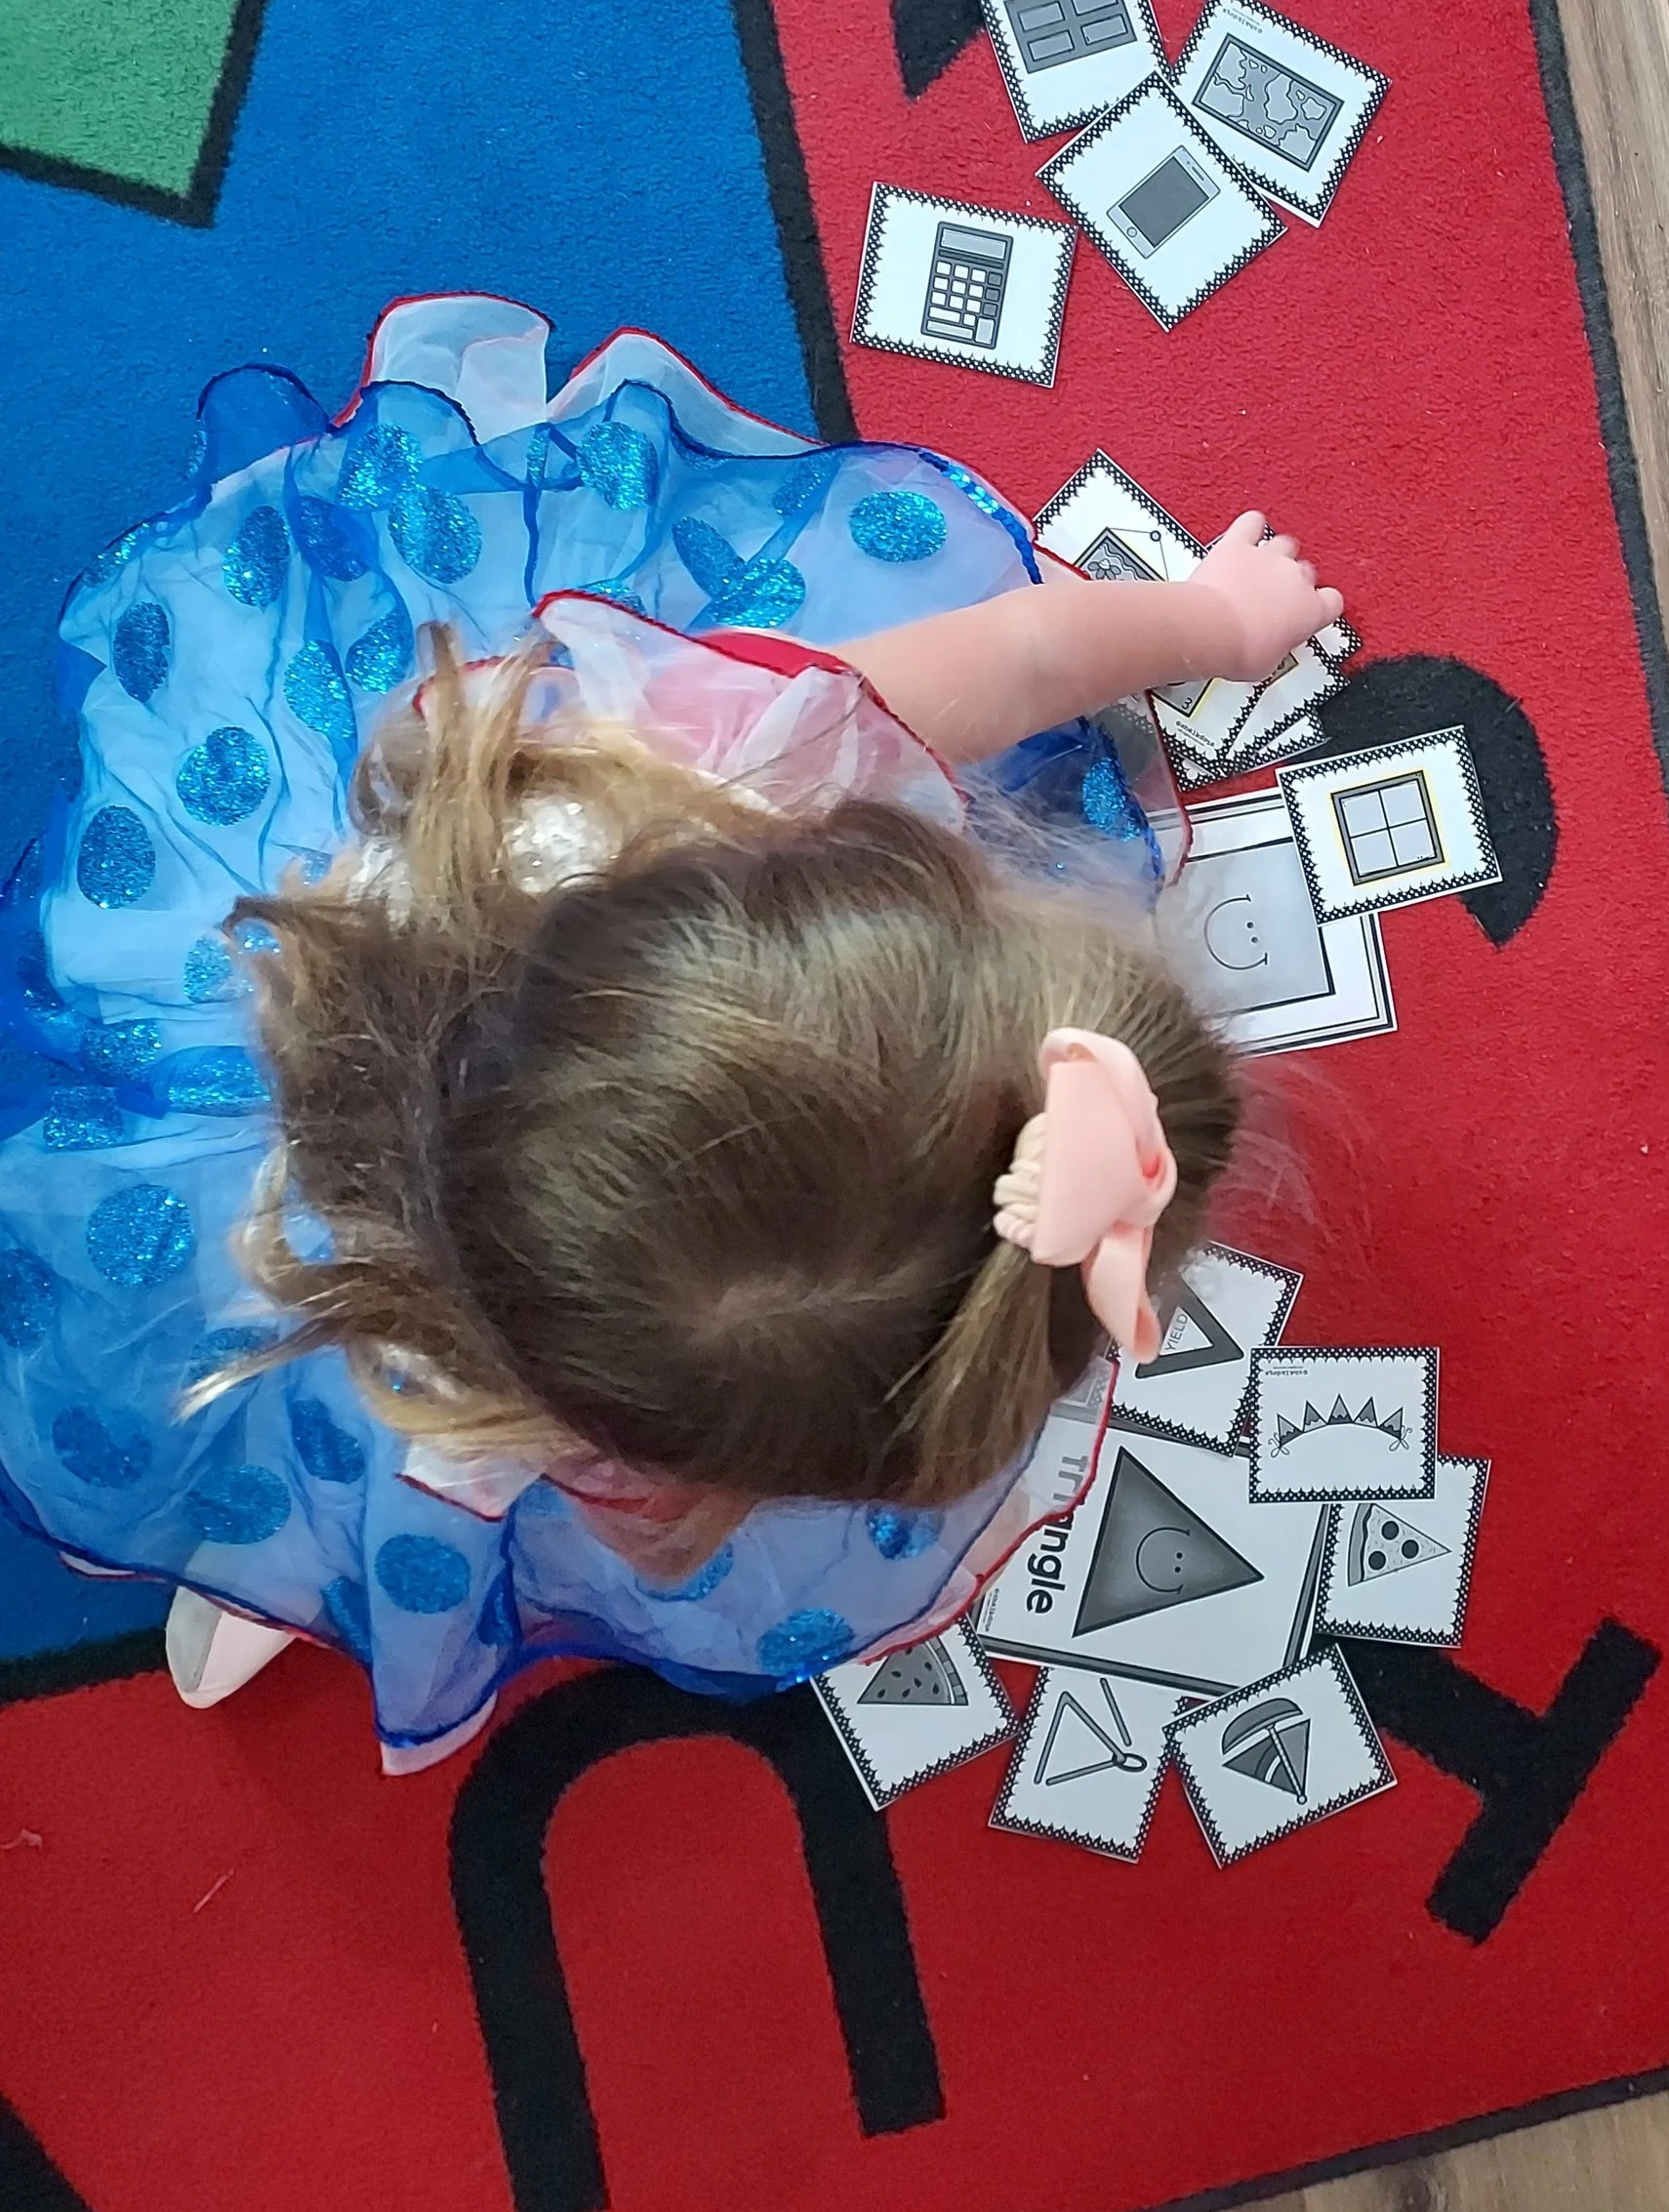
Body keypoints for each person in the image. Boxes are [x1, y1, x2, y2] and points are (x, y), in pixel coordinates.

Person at [0, 297, 1340, 1772]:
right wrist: (1217, 622)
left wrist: (1215, 614)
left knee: (341, 1398)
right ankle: (279, 1547)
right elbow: (598, 1530)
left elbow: (1025, 654)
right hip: (372, 1170)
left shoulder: (757, 739)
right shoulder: (514, 1391)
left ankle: (279, 1548)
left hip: (358, 1044)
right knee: (350, 1418)